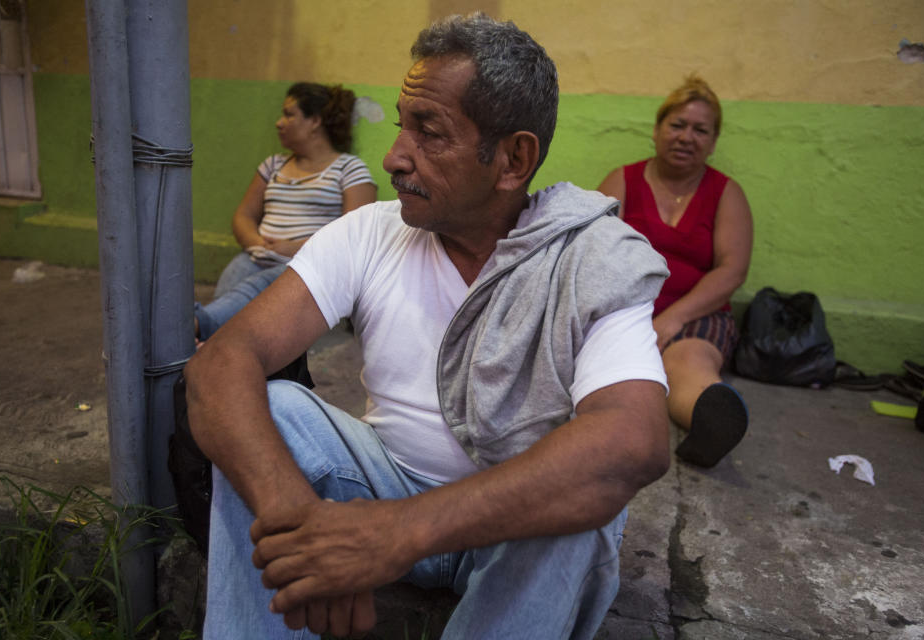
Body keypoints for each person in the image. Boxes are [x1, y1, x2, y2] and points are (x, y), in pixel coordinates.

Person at [185, 13, 671, 639]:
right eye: (400, 125)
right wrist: (300, 528)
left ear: (513, 158)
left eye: (429, 132)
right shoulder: (372, 231)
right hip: (380, 480)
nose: (394, 156)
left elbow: (635, 441)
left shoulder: (593, 258)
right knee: (271, 410)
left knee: (583, 500)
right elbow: (224, 360)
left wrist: (400, 531)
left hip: (512, 524)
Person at [597, 75, 754, 468]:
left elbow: (732, 270)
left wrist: (671, 320)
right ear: (657, 129)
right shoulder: (622, 181)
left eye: (701, 130)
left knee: (688, 364)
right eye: (677, 125)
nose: (687, 137)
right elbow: (591, 250)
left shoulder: (725, 193)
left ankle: (710, 418)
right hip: (624, 308)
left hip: (696, 315)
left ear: (713, 142)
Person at [212, 82, 377, 298]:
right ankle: (206, 327)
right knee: (230, 292)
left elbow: (356, 233)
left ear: (315, 121)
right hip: (257, 257)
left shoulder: (349, 168)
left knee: (251, 293)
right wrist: (257, 243)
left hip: (309, 264)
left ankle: (201, 323)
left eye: (289, 115)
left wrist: (295, 248)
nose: (279, 123)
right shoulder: (273, 165)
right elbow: (244, 215)